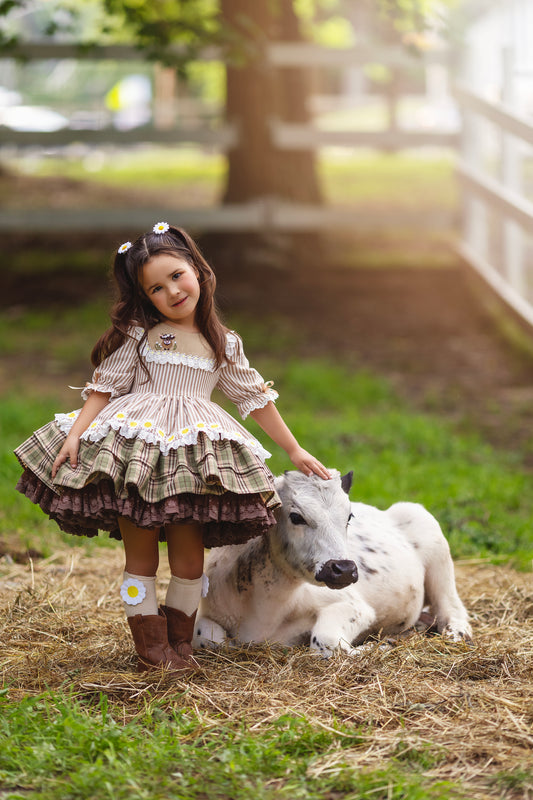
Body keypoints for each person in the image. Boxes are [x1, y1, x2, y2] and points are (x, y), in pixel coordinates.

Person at [14, 222, 330, 675]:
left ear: (198, 270)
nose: (172, 291)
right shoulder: (140, 336)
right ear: (147, 298)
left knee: (189, 557)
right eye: (157, 288)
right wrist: (76, 434)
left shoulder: (225, 344)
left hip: (192, 460)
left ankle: (181, 643)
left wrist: (295, 450)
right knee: (139, 554)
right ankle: (151, 648)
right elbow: (104, 389)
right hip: (137, 453)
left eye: (177, 276)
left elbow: (254, 399)